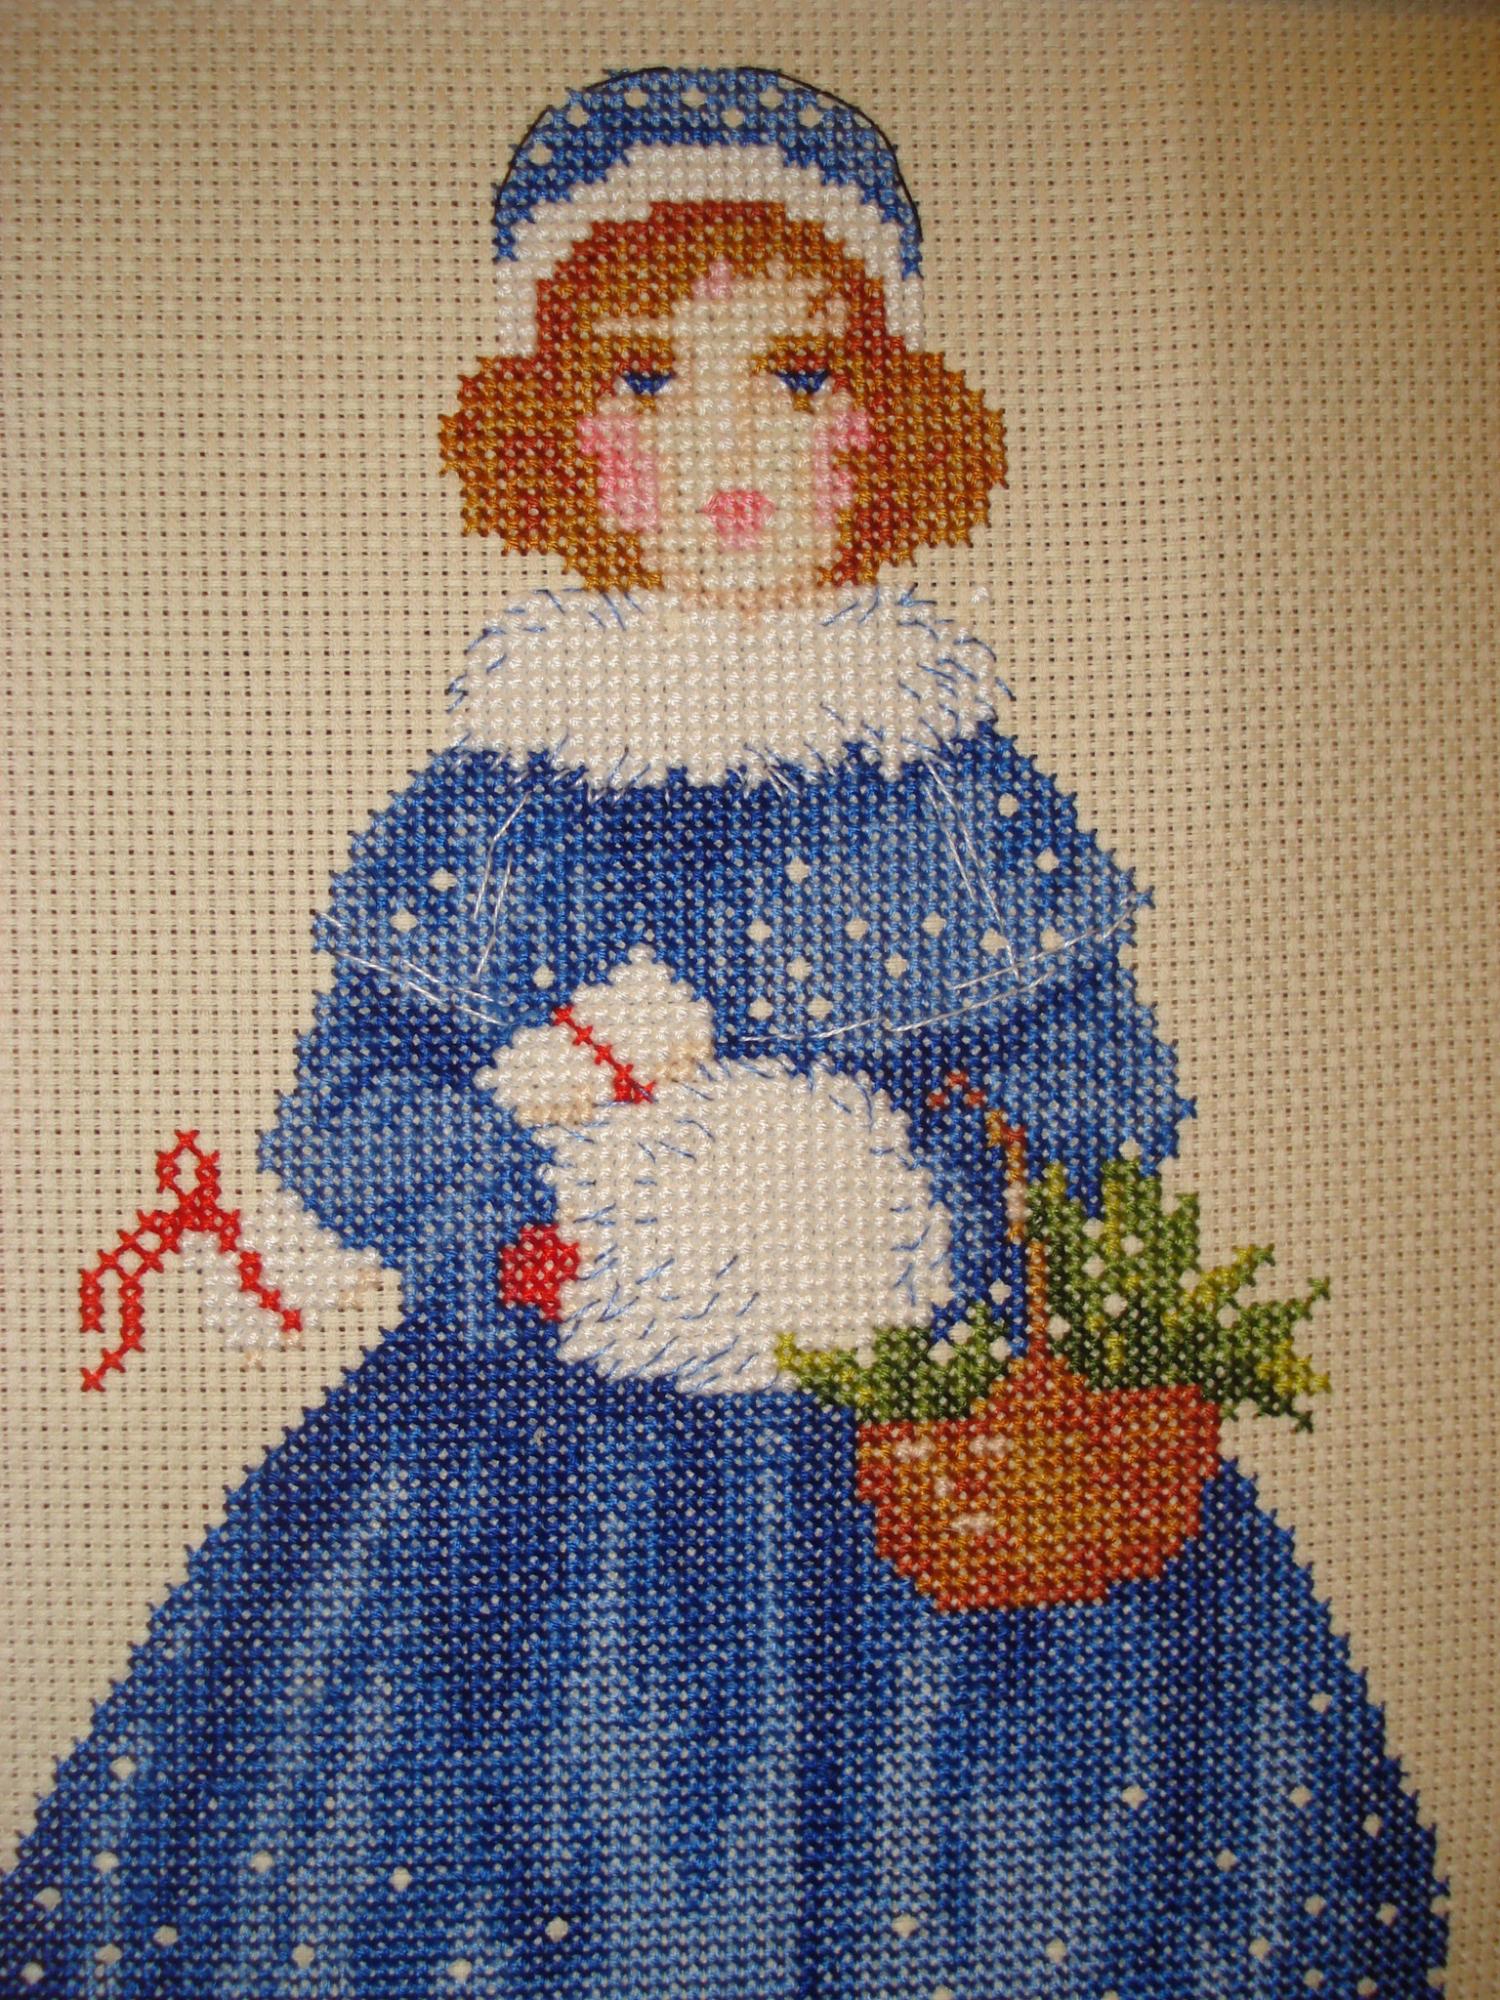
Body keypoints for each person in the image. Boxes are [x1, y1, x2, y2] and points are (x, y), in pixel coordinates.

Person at [1, 65, 1445, 1999]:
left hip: (941, 1456)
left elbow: (1102, 1091)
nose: (726, 446)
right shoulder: (506, 794)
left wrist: (916, 1207)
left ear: (890, 420)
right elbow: (356, 1106)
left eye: (800, 374)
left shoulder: (950, 783)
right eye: (645, 382)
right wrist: (537, 1250)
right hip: (533, 1459)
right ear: (548, 429)